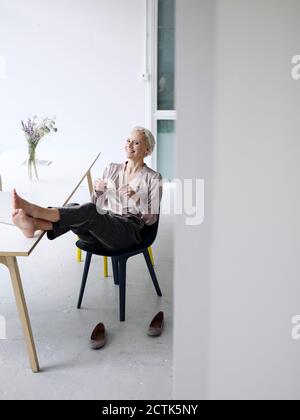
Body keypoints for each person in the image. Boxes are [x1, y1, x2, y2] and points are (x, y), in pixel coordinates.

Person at [12, 126, 165, 349]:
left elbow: (151, 219)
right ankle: (35, 223)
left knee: (85, 212)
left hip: (129, 231)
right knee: (79, 209)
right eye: (128, 140)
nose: (129, 145)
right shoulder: (112, 168)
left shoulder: (153, 178)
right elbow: (96, 205)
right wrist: (99, 192)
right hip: (103, 227)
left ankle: (38, 216)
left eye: (136, 143)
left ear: (148, 149)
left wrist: (137, 198)